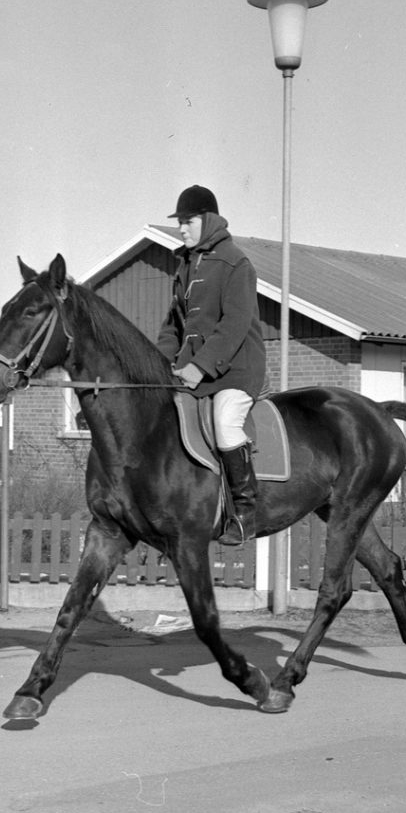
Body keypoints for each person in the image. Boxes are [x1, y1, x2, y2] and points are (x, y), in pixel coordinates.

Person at [156, 185, 267, 546]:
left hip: (236, 369)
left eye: (188, 222)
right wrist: (159, 364)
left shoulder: (236, 263)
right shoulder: (186, 266)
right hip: (194, 371)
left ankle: (245, 513)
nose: (181, 229)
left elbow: (234, 325)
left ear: (209, 221)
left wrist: (200, 367)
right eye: (180, 223)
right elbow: (173, 325)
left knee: (225, 421)